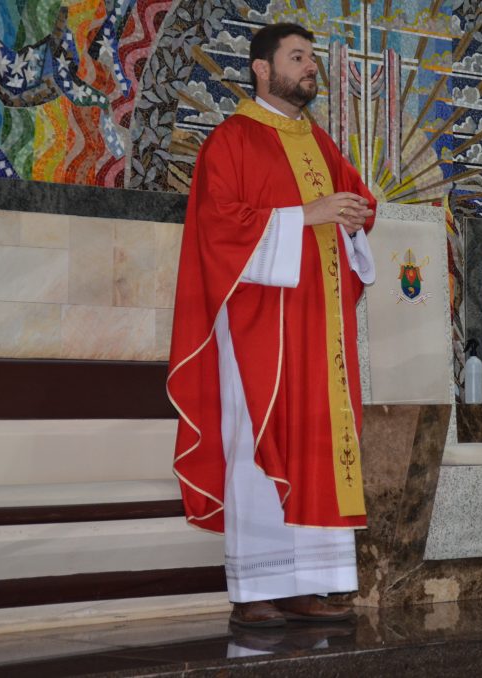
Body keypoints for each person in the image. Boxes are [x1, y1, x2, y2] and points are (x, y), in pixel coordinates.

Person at [167, 22, 377, 627]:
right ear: (262, 68)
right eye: (297, 56)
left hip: (320, 327)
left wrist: (357, 216)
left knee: (316, 441)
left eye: (312, 57)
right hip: (259, 325)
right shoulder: (231, 141)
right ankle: (256, 587)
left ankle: (306, 583)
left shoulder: (320, 143)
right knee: (254, 444)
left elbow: (354, 204)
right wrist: (306, 215)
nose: (311, 66)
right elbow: (218, 227)